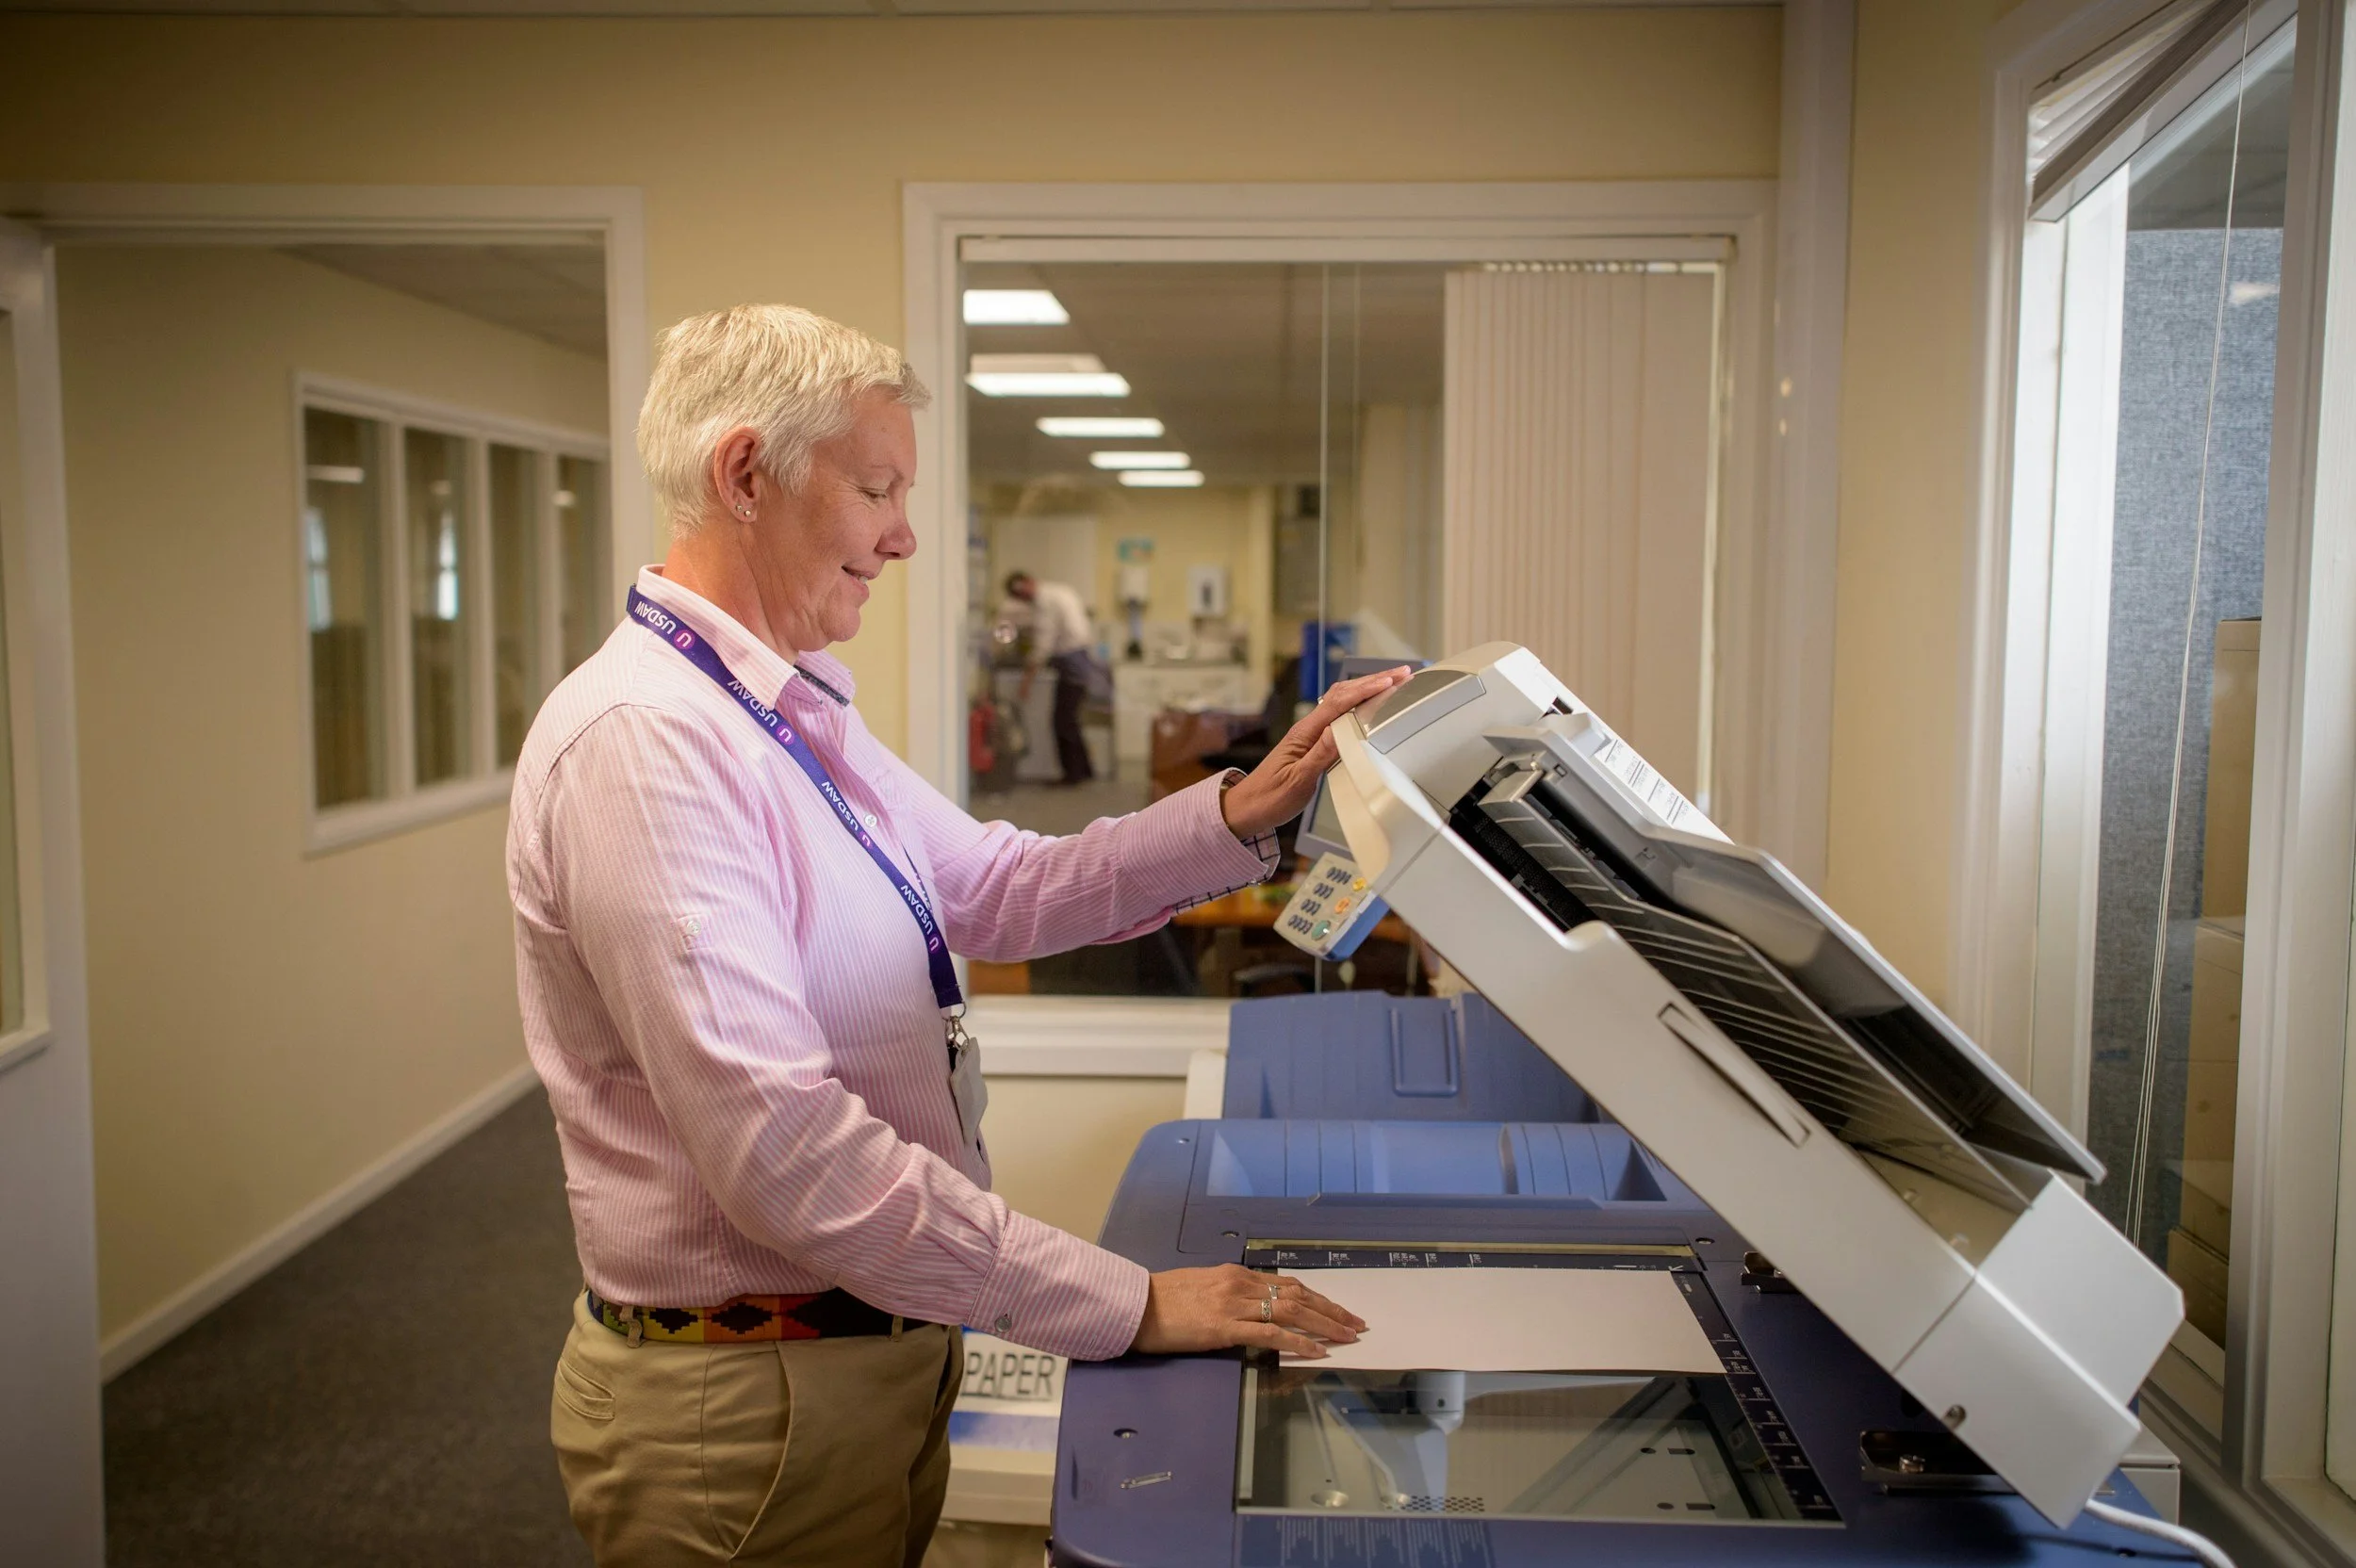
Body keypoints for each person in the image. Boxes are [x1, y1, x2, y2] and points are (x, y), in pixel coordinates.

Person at [506, 304, 1408, 1568]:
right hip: (748, 1403)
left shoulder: (778, 711)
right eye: (876, 488)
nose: (904, 534)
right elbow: (788, 1157)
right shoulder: (650, 750)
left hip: (859, 1358)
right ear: (744, 472)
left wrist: (1237, 814)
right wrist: (1125, 1304)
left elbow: (1001, 888)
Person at [1003, 570, 1097, 785]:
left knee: (1063, 721)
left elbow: (1043, 644)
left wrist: (1026, 681)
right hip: (1081, 657)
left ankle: (1073, 775)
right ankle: (1085, 771)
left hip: (1071, 660)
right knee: (1071, 719)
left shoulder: (1045, 602)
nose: (1023, 599)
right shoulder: (1060, 591)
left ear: (1026, 583)